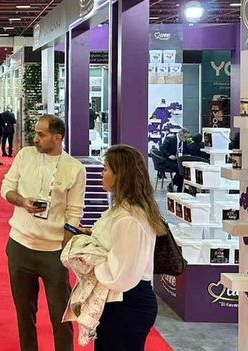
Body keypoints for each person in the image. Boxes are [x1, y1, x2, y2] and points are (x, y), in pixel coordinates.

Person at [1, 115, 86, 351]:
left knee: (61, 316)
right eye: (36, 133)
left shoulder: (74, 168)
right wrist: (22, 201)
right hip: (19, 245)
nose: (35, 138)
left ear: (58, 138)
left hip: (53, 251)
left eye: (41, 134)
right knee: (24, 313)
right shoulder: (25, 155)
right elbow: (6, 188)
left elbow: (74, 213)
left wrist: (64, 250)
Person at [86, 144, 162, 350]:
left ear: (120, 175)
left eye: (106, 169)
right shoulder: (125, 210)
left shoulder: (129, 219)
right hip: (121, 301)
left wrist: (89, 255)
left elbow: (121, 274)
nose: (102, 174)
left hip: (128, 302)